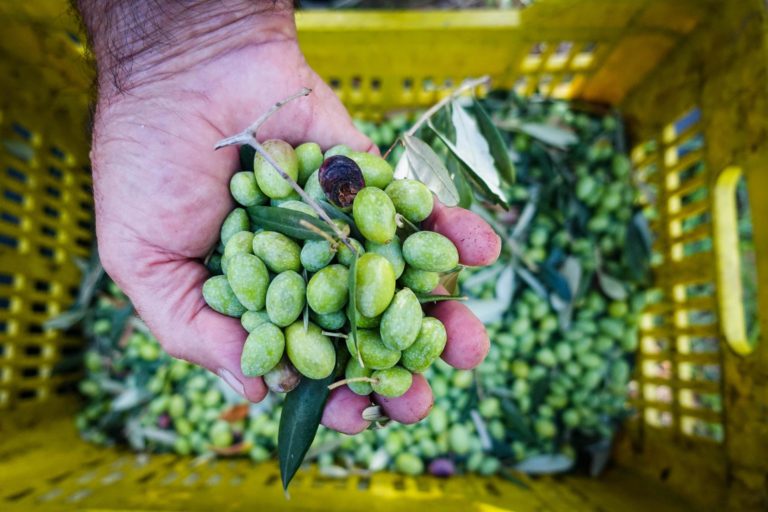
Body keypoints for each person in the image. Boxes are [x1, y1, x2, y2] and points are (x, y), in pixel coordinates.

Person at [75, 0, 500, 434]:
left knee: (343, 300)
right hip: (302, 264)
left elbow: (324, 286)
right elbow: (280, 273)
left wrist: (188, 46)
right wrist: (181, 53)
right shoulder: (282, 265)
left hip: (322, 271)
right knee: (317, 292)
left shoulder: (375, 251)